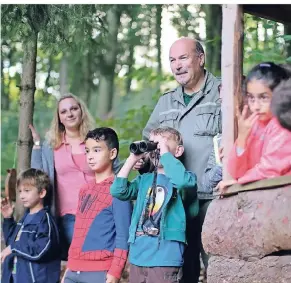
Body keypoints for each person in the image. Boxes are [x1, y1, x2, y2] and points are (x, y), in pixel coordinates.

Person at [140, 37, 222, 281]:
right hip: (174, 201)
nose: (177, 66)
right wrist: (144, 162)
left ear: (201, 58)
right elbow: (147, 141)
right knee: (180, 268)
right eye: (172, 60)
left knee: (217, 264)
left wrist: (211, 183)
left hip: (212, 197)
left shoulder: (222, 92)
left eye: (183, 58)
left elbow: (234, 139)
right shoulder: (166, 101)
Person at [111, 127, 198, 283]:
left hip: (165, 258)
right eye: (152, 145)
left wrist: (164, 153)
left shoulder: (185, 179)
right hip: (139, 256)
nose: (155, 149)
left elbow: (183, 182)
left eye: (160, 144)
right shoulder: (144, 180)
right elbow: (118, 191)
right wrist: (133, 158)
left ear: (178, 151)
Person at [30, 93, 96, 258]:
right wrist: (37, 145)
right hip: (67, 217)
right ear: (59, 117)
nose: (70, 114)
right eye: (64, 111)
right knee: (76, 263)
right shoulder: (52, 145)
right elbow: (38, 176)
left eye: (74, 108)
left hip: (98, 214)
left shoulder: (96, 140)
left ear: (81, 111)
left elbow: (114, 170)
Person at [63, 127, 131, 283]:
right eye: (87, 151)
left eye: (97, 150)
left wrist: (115, 272)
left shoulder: (119, 190)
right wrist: (69, 268)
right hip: (73, 271)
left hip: (100, 271)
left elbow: (123, 236)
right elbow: (78, 231)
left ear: (112, 153)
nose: (90, 156)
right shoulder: (84, 190)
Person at [224, 62, 291, 187]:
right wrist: (242, 138)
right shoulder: (254, 124)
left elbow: (269, 169)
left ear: (279, 94)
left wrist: (239, 183)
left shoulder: (284, 125)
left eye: (263, 98)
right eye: (251, 98)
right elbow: (236, 171)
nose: (255, 106)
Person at [1, 168, 61, 283]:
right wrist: (8, 218)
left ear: (42, 193)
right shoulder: (24, 218)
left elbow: (40, 250)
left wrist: (14, 247)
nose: (22, 196)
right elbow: (11, 243)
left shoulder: (45, 221)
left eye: (27, 191)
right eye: (20, 191)